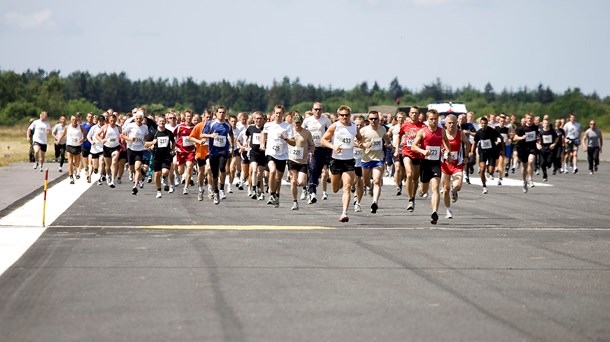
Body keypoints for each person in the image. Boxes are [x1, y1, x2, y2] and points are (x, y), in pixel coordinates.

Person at [320, 105, 362, 223]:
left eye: (347, 115)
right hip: (336, 160)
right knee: (335, 189)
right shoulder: (335, 126)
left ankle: (344, 212)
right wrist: (333, 146)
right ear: (338, 116)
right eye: (342, 115)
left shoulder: (354, 126)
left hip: (349, 160)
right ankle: (335, 181)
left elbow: (359, 138)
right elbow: (323, 140)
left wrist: (359, 143)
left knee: (347, 187)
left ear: (350, 115)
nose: (344, 117)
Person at [410, 109, 451, 225]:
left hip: (435, 163)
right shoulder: (423, 132)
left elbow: (446, 142)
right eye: (431, 119)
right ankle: (421, 189)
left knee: (435, 187)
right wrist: (422, 151)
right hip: (424, 163)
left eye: (435, 119)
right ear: (427, 120)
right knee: (423, 190)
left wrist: (448, 153)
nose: (433, 121)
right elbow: (413, 147)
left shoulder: (442, 131)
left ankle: (434, 212)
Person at [260, 105, 295, 208]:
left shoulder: (287, 126)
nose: (278, 115)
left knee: (278, 179)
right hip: (271, 152)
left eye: (280, 113)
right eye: (276, 113)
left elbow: (293, 142)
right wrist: (262, 144)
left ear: (283, 114)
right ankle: (271, 195)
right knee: (272, 171)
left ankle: (276, 194)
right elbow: (263, 134)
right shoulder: (268, 125)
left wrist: (284, 138)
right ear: (273, 113)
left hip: (282, 155)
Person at [199, 106, 234, 204]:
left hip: (224, 150)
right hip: (213, 151)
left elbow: (231, 135)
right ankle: (216, 191)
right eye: (220, 112)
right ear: (216, 114)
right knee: (214, 174)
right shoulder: (211, 124)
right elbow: (202, 135)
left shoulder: (228, 125)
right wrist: (210, 135)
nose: (221, 114)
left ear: (225, 114)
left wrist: (232, 146)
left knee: (222, 168)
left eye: (223, 112)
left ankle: (222, 188)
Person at [396, 106, 425, 212]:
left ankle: (413, 197)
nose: (414, 114)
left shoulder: (423, 126)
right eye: (412, 113)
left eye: (416, 113)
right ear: (409, 114)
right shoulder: (405, 125)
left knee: (415, 179)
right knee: (409, 174)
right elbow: (399, 136)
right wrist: (396, 149)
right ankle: (410, 199)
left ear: (419, 114)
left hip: (417, 154)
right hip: (406, 152)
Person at [440, 114, 470, 219]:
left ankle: (454, 190)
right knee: (445, 189)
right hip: (445, 164)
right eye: (449, 123)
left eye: (454, 123)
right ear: (445, 124)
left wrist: (466, 155)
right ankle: (448, 210)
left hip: (457, 163)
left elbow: (467, 143)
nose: (452, 125)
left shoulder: (460, 133)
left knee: (458, 186)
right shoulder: (442, 133)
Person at [303, 102, 333, 204]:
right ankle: (312, 192)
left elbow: (331, 134)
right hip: (311, 148)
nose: (317, 111)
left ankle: (311, 187)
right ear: (312, 110)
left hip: (323, 148)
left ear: (322, 110)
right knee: (313, 168)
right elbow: (302, 132)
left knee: (318, 171)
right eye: (315, 109)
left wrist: (330, 144)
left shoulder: (326, 120)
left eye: (319, 109)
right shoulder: (307, 121)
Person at [360, 111, 390, 214]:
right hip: (366, 159)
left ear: (378, 119)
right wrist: (364, 145)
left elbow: (385, 137)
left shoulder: (382, 129)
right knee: (366, 181)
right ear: (368, 120)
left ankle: (375, 202)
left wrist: (387, 143)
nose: (373, 121)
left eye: (375, 119)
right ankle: (369, 187)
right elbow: (355, 142)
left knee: (377, 181)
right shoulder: (363, 130)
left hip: (378, 159)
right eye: (371, 119)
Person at [287, 113, 315, 210]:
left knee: (302, 182)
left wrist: (311, 153)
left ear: (301, 122)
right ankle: (295, 202)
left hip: (303, 161)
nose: (297, 124)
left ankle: (305, 189)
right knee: (294, 181)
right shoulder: (289, 131)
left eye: (299, 122)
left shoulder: (306, 133)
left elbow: (312, 144)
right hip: (292, 159)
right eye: (295, 122)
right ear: (293, 122)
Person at [145, 116, 176, 199]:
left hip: (166, 156)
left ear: (165, 122)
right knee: (157, 174)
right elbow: (145, 144)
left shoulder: (169, 133)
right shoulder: (153, 133)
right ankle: (159, 191)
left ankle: (165, 177)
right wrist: (152, 142)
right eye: (160, 121)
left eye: (163, 121)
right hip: (156, 156)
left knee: (165, 172)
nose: (161, 123)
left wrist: (172, 150)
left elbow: (173, 142)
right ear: (157, 122)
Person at [472, 116, 503, 194]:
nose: (483, 125)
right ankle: (484, 186)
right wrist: (471, 152)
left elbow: (501, 137)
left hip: (491, 152)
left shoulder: (492, 131)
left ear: (487, 123)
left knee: (491, 171)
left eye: (485, 123)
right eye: (482, 123)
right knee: (482, 170)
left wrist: (502, 148)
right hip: (482, 152)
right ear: (480, 124)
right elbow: (475, 143)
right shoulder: (478, 132)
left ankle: (488, 168)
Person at [121, 111, 149, 195]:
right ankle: (140, 174)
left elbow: (145, 136)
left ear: (142, 119)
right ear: (135, 119)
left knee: (137, 168)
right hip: (130, 149)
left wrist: (145, 142)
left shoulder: (145, 127)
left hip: (140, 150)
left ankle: (135, 186)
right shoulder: (130, 126)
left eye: (140, 119)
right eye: (137, 118)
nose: (138, 120)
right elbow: (122, 135)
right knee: (132, 169)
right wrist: (129, 139)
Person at [513, 113, 540, 193]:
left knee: (531, 161)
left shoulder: (535, 127)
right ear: (525, 119)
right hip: (523, 148)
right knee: (524, 166)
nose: (529, 120)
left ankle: (531, 179)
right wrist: (522, 137)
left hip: (532, 148)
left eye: (531, 118)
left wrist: (538, 142)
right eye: (528, 118)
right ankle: (524, 181)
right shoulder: (521, 128)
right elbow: (515, 138)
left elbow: (538, 136)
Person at [58, 114, 88, 184]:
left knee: (77, 163)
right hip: (69, 146)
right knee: (70, 162)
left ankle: (77, 172)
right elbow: (63, 134)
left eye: (75, 120)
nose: (74, 121)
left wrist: (83, 139)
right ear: (70, 120)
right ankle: (71, 177)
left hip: (77, 146)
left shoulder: (80, 127)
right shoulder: (67, 127)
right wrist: (59, 139)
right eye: (72, 120)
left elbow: (85, 133)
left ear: (77, 120)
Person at [95, 113, 122, 188]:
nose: (112, 122)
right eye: (111, 121)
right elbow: (97, 135)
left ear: (116, 120)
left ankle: (113, 180)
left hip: (115, 147)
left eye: (114, 121)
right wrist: (101, 140)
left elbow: (121, 135)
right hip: (107, 147)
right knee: (107, 166)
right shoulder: (105, 127)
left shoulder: (118, 127)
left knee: (114, 162)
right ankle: (108, 175)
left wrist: (122, 141)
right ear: (109, 121)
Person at [173, 110, 196, 194]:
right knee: (180, 171)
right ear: (184, 117)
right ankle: (178, 176)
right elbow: (172, 136)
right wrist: (173, 146)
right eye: (187, 116)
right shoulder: (179, 127)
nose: (189, 118)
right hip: (180, 151)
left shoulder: (194, 127)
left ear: (192, 117)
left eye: (190, 116)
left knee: (189, 167)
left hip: (190, 151)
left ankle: (186, 187)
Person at [388, 111, 406, 195]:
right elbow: (386, 136)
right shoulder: (393, 128)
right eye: (399, 117)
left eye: (402, 118)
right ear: (396, 118)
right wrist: (388, 143)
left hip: (405, 149)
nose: (400, 119)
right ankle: (397, 186)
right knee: (397, 168)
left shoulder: (407, 127)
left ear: (405, 118)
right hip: (395, 149)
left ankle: (400, 181)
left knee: (403, 171)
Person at [87, 115, 106, 184]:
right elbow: (88, 136)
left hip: (103, 148)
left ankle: (100, 178)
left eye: (102, 121)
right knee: (95, 165)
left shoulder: (106, 128)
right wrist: (91, 142)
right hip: (94, 148)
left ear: (104, 121)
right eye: (100, 121)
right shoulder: (94, 128)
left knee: (101, 162)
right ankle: (90, 175)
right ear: (98, 121)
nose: (101, 122)